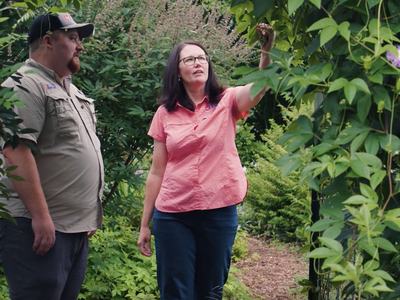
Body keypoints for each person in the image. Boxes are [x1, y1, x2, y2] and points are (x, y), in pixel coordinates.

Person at [137, 23, 275, 299]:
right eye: (189, 59)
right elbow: (156, 171)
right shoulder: (164, 114)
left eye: (202, 58)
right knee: (175, 290)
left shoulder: (227, 101)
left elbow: (260, 87)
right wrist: (144, 223)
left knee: (210, 290)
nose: (198, 63)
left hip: (218, 211)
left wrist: (266, 50)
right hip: (174, 214)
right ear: (177, 71)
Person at [0, 13, 104, 300]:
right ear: (48, 41)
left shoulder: (70, 90)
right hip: (39, 228)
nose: (80, 46)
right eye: (72, 38)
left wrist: (86, 217)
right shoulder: (24, 84)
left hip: (72, 228)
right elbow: (15, 150)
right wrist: (41, 217)